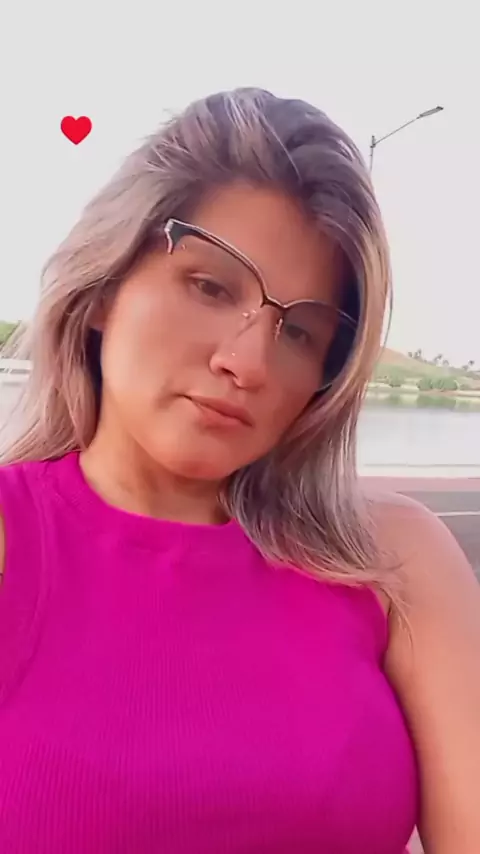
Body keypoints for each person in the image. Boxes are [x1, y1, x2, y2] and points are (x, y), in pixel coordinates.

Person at [0, 88, 479, 854]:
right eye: (210, 287)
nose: (248, 362)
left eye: (300, 332)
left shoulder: (395, 563)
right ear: (105, 287)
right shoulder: (15, 539)